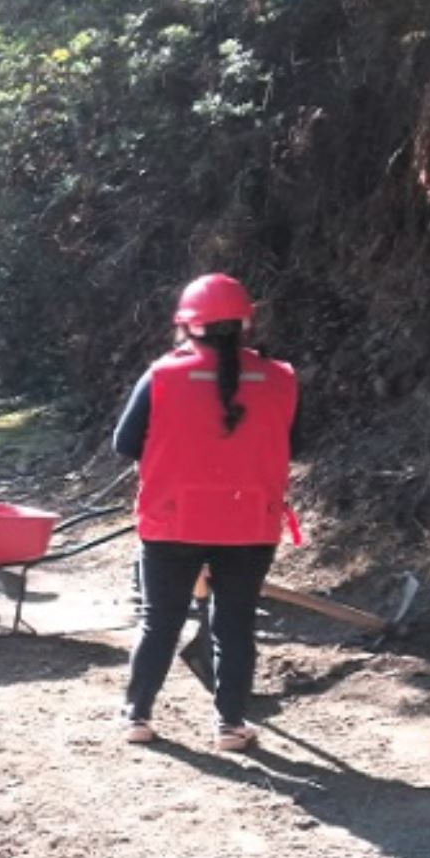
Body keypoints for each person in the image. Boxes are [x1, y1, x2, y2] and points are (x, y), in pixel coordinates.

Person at [113, 273, 298, 750]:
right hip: (251, 522)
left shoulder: (162, 375)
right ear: (245, 325)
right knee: (235, 624)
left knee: (160, 620)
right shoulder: (280, 379)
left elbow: (124, 444)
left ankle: (137, 716)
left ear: (186, 326)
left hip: (173, 520)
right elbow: (291, 442)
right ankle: (231, 725)